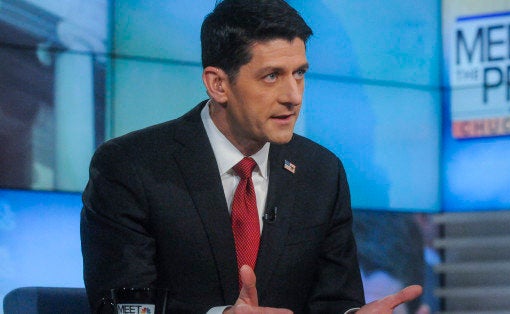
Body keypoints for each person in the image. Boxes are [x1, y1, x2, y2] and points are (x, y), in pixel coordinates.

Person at [80, 0, 422, 313]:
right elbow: (123, 305)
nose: (293, 96)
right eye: (272, 76)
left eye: (299, 73)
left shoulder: (322, 173)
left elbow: (333, 299)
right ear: (218, 84)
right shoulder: (131, 166)